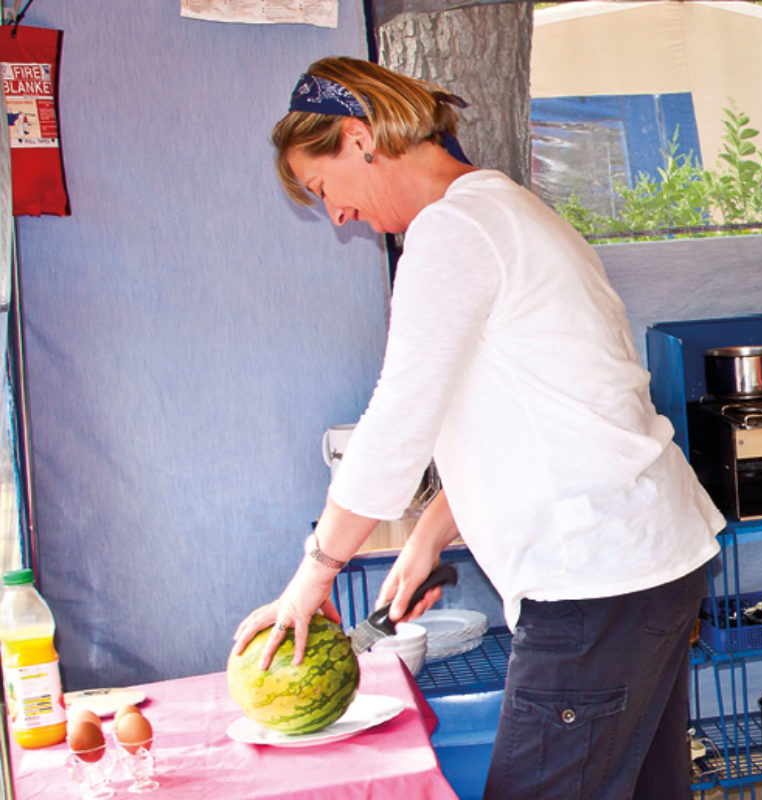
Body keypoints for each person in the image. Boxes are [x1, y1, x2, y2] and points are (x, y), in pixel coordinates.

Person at [231, 56, 724, 800]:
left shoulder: (452, 232)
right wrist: (430, 534)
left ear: (359, 139)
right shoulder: (509, 212)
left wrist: (317, 572)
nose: (334, 214)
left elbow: (399, 418)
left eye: (322, 187)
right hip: (649, 563)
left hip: (595, 578)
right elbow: (541, 414)